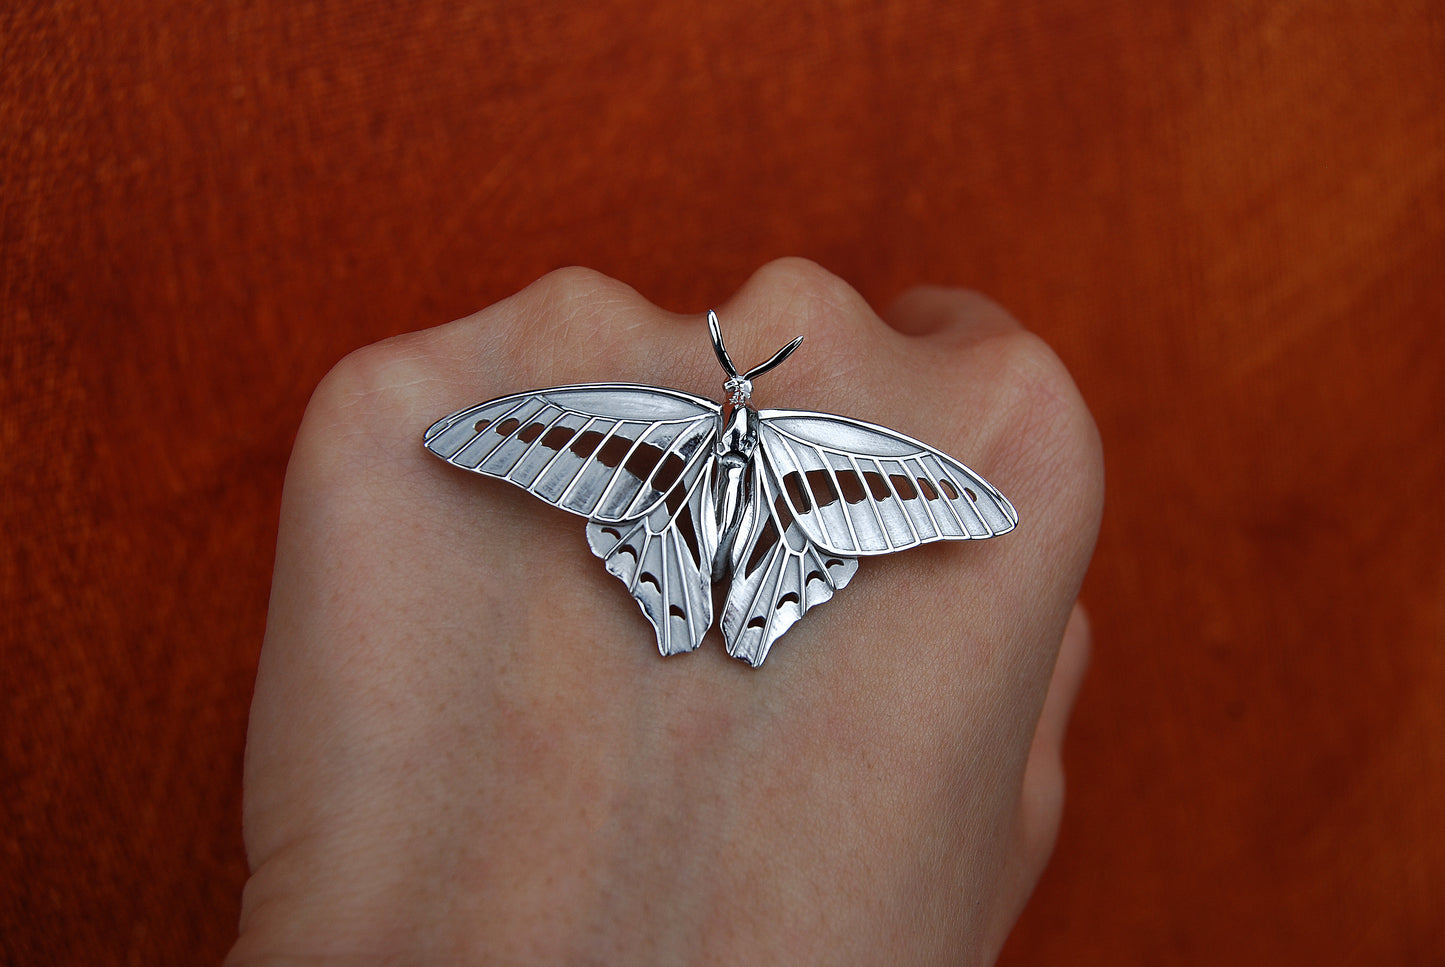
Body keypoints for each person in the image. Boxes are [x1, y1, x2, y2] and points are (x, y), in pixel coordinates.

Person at [225, 258, 1103, 965]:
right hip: (732, 531)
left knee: (723, 562)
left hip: (712, 527)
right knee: (721, 559)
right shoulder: (713, 438)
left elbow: (969, 501)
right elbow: (507, 432)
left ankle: (719, 605)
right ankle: (717, 607)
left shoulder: (684, 431)